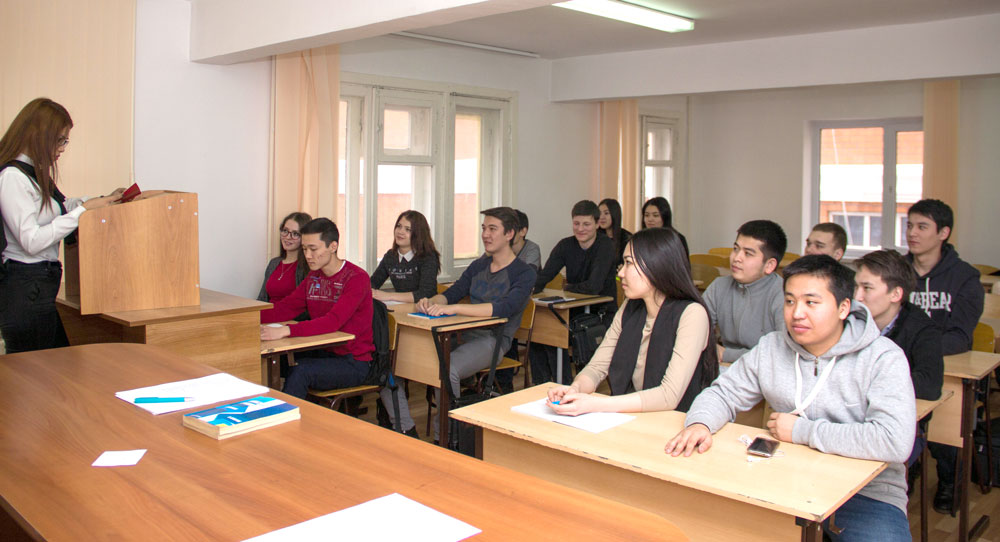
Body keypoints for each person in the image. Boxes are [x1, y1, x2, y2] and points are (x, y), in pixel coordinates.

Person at [666, 255, 915, 542]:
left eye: (811, 302)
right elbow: (723, 393)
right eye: (789, 301)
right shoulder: (772, 347)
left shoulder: (883, 357)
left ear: (843, 308)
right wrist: (700, 423)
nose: (797, 313)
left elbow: (894, 441)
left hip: (866, 495)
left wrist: (802, 431)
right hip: (782, 480)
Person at [546, 227, 717, 415]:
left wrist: (596, 404)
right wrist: (575, 389)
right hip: (631, 416)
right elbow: (597, 367)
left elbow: (669, 395)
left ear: (656, 265)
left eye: (629, 263)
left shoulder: (692, 314)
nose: (621, 273)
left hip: (674, 422)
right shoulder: (630, 306)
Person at [0, 98, 123, 354]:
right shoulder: (13, 177)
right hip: (25, 286)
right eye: (60, 140)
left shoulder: (33, 172)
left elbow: (59, 207)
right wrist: (82, 212)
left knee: (58, 361)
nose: (63, 148)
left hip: (38, 286)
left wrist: (99, 201)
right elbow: (32, 241)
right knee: (39, 370)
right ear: (39, 136)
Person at [415, 207, 535, 437]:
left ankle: (447, 438)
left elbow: (503, 309)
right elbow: (452, 293)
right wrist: (431, 302)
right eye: (483, 228)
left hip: (493, 340)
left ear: (509, 234)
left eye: (492, 229)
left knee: (447, 369)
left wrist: (454, 308)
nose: (485, 235)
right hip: (462, 334)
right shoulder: (479, 265)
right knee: (421, 358)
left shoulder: (524, 273)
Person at [904, 198, 983, 513]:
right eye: (909, 225)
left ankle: (950, 478)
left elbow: (960, 336)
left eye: (922, 227)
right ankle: (909, 464)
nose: (912, 233)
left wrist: (919, 350)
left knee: (945, 428)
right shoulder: (896, 272)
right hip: (903, 364)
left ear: (943, 233)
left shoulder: (965, 277)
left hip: (944, 365)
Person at [855, 248, 943, 493]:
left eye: (867, 288)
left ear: (895, 294)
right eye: (856, 286)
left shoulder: (923, 329)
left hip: (899, 427)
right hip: (851, 417)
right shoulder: (850, 321)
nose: (857, 296)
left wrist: (871, 383)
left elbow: (930, 384)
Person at [259, 218, 375, 401]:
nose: (308, 255)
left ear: (333, 246)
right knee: (267, 362)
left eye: (313, 249)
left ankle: (284, 418)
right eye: (304, 249)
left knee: (300, 372)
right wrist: (246, 318)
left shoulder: (356, 278)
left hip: (353, 361)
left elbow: (333, 321)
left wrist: (286, 330)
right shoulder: (314, 276)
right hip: (322, 352)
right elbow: (286, 307)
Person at [369, 210, 440, 437]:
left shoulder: (427, 257)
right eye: (399, 226)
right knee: (386, 364)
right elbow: (372, 283)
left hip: (422, 319)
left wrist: (386, 295)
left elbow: (426, 292)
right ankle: (402, 424)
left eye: (407, 229)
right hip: (398, 318)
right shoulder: (391, 256)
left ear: (418, 233)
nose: (400, 232)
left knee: (426, 368)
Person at [532, 200, 618, 384]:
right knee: (540, 332)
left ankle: (565, 385)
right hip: (574, 311)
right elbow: (544, 276)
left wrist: (569, 287)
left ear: (597, 224)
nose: (580, 229)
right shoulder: (565, 245)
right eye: (576, 223)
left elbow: (594, 287)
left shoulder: (605, 246)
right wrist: (528, 289)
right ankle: (542, 386)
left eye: (586, 224)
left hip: (601, 313)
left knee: (556, 334)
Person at [702, 219, 787, 364]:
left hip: (764, 370)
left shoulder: (784, 295)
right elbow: (694, 329)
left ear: (769, 265)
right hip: (724, 367)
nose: (736, 258)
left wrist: (727, 354)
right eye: (736, 249)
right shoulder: (719, 286)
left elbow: (780, 352)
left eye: (748, 253)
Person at [257, 211, 312, 312]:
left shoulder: (308, 266)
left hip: (290, 319)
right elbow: (262, 299)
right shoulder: (274, 263)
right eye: (285, 231)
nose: (288, 237)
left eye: (295, 234)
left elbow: (305, 308)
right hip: (267, 317)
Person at [598, 198, 631, 268]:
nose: (601, 217)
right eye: (599, 213)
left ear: (614, 214)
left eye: (606, 213)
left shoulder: (627, 238)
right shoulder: (595, 236)